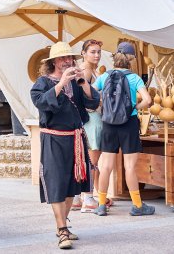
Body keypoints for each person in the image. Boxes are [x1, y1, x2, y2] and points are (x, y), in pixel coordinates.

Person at [30, 42, 100, 249]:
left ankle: (63, 225)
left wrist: (82, 82)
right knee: (56, 182)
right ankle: (62, 229)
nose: (67, 61)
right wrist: (61, 82)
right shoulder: (42, 82)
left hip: (75, 138)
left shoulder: (76, 82)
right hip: (54, 138)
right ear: (53, 62)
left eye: (69, 58)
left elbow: (93, 103)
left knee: (71, 185)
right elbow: (41, 102)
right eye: (62, 58)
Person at [92, 41, 154, 216]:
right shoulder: (134, 78)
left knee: (106, 166)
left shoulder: (104, 77)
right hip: (129, 123)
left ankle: (102, 205)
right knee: (130, 167)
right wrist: (135, 107)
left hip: (108, 124)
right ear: (132, 59)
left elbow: (91, 94)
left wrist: (103, 107)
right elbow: (148, 100)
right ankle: (138, 206)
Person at [72, 39, 113, 212]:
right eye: (92, 52)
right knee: (92, 161)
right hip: (93, 119)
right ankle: (89, 198)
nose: (96, 55)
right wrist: (100, 102)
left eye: (98, 52)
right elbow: (84, 98)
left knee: (86, 160)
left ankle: (77, 198)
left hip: (88, 120)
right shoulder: (86, 70)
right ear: (83, 53)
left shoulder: (87, 69)